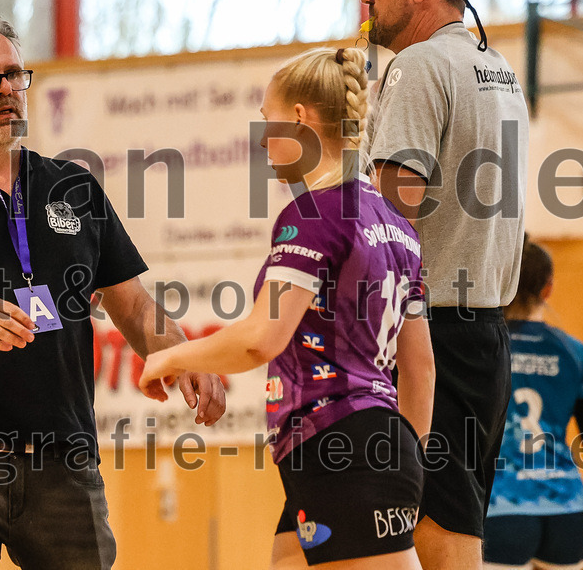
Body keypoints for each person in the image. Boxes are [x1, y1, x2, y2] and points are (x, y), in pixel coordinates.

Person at [0, 11, 226, 570]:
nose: (6, 90)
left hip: (65, 460)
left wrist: (185, 355)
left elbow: (131, 303)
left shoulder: (73, 185)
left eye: (14, 74)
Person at [139, 46, 436, 569]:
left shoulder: (315, 212)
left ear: (299, 119)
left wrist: (172, 357)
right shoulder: (398, 226)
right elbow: (421, 368)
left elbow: (262, 337)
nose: (263, 141)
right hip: (366, 443)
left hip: (339, 444)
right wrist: (404, 457)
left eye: (267, 121)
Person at [362, 0, 530, 570]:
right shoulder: (498, 70)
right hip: (487, 331)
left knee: (434, 518)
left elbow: (390, 208)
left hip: (431, 330)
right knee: (454, 513)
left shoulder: (418, 67)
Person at [483, 236, 583, 570]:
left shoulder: (484, 346)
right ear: (548, 288)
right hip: (566, 511)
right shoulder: (574, 352)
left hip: (501, 509)